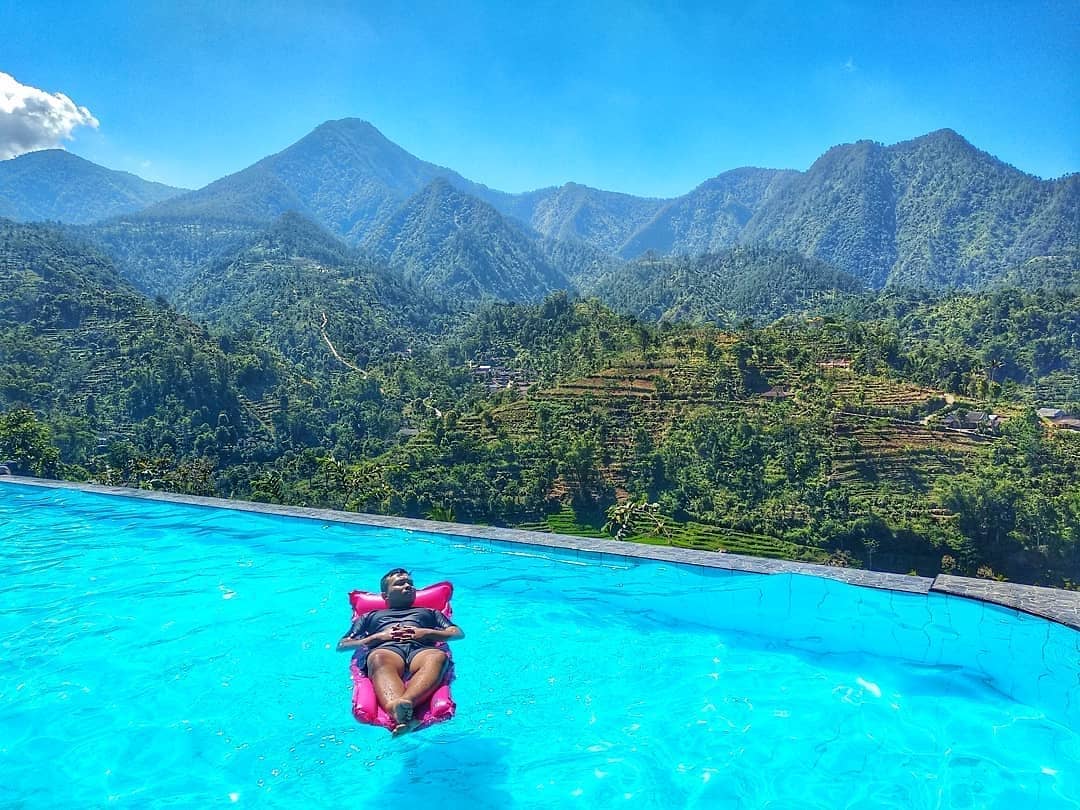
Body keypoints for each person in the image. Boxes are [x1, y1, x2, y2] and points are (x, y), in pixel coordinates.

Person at [337, 568, 464, 735]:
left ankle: (404, 702)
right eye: (400, 583)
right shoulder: (369, 616)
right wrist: (377, 637)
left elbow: (457, 633)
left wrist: (425, 633)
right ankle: (400, 713)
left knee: (437, 657)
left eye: (410, 583)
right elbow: (343, 645)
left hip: (421, 648)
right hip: (387, 649)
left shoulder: (429, 613)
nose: (408, 586)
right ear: (385, 595)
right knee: (378, 658)